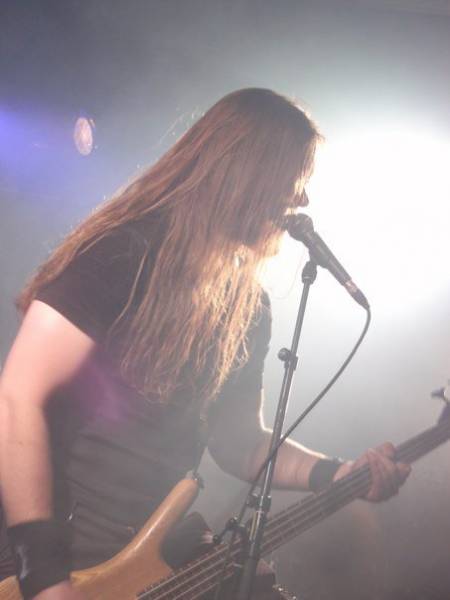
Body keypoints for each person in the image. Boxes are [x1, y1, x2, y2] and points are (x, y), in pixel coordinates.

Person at [0, 88, 410, 600]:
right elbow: (17, 397)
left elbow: (241, 441)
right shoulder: (123, 253)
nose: (301, 199)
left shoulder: (247, 306)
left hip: (157, 551)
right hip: (62, 554)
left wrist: (339, 474)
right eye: (295, 177)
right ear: (247, 173)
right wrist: (44, 578)